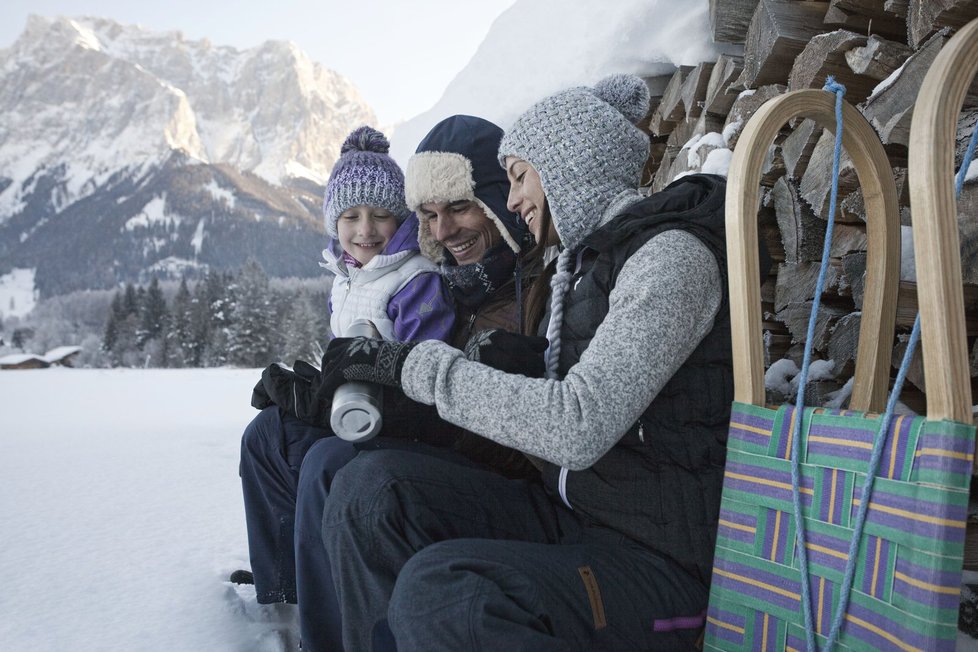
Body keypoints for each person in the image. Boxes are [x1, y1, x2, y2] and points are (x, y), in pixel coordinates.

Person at [317, 74, 734, 650]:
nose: (510, 201)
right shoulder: (580, 267)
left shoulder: (670, 261)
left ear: (570, 167)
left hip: (657, 560)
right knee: (373, 492)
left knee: (446, 597)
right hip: (570, 512)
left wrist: (415, 367)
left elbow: (578, 426)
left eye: (517, 176)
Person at [240, 115, 542, 651]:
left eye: (459, 207)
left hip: (486, 471)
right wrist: (315, 395)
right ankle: (284, 601)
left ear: (500, 202)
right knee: (270, 435)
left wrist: (347, 397)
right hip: (419, 429)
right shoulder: (457, 275)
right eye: (430, 215)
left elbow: (477, 406)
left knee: (330, 465)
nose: (444, 231)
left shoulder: (517, 288)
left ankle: (331, 637)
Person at [235, 124, 454, 606]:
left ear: (400, 220)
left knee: (317, 460)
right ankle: (282, 584)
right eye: (351, 216)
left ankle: (325, 601)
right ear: (334, 221)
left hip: (399, 426)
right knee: (265, 434)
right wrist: (314, 391)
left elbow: (426, 370)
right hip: (354, 413)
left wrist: (336, 396)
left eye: (380, 215)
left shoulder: (414, 280)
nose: (365, 230)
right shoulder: (346, 278)